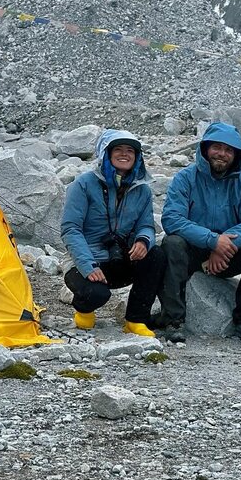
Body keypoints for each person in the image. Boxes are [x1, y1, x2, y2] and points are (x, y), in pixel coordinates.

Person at [157, 121, 241, 345]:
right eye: (217, 147)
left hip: (229, 253)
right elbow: (172, 219)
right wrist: (212, 241)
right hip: (193, 251)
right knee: (172, 243)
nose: (222, 154)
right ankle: (173, 320)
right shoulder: (185, 178)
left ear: (236, 155)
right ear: (205, 149)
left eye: (229, 150)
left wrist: (224, 245)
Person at [61, 129, 162, 337]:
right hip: (86, 261)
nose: (124, 154)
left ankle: (135, 320)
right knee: (96, 294)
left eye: (130, 151)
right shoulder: (83, 184)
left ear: (137, 157)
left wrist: (143, 241)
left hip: (120, 257)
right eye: (118, 149)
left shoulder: (142, 189)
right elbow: (71, 229)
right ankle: (84, 310)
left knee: (156, 255)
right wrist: (87, 266)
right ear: (106, 154)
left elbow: (146, 225)